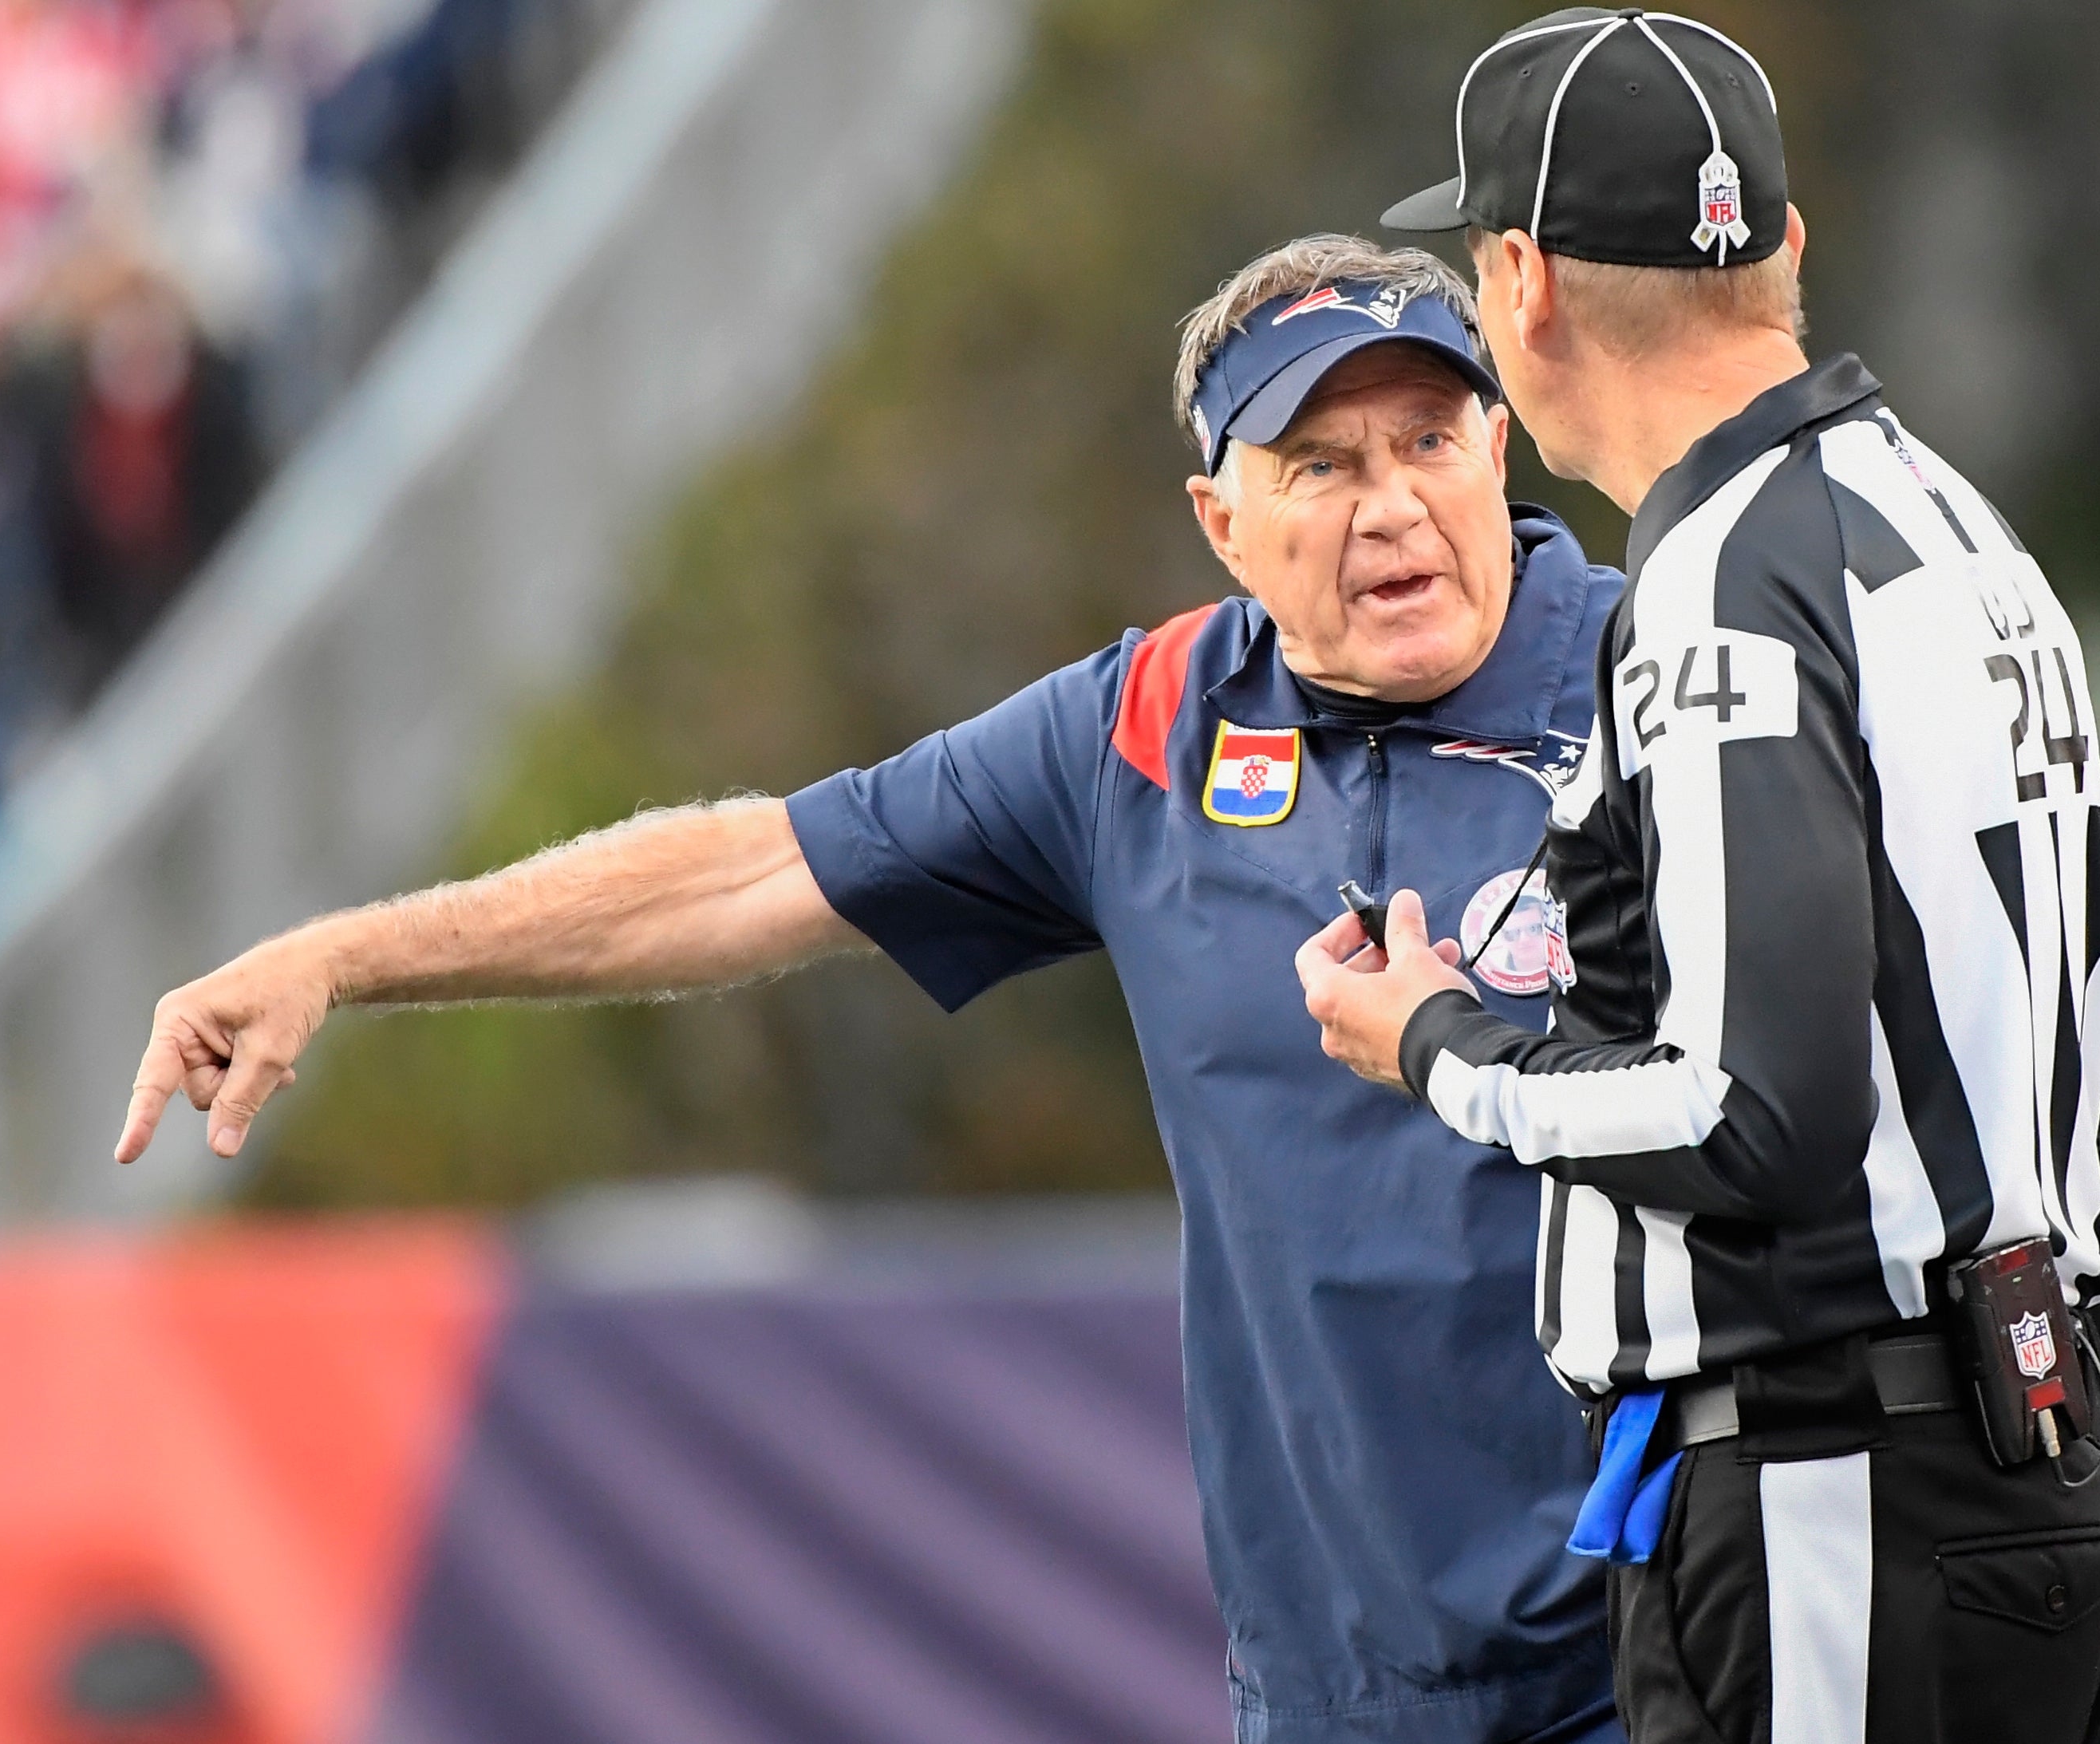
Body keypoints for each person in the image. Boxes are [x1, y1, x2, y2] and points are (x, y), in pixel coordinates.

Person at [117, 235, 1634, 1744]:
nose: (1393, 505)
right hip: (1329, 1687)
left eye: (1428, 439)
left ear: (1498, 443)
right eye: (1318, 463)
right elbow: (749, 869)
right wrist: (345, 957)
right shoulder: (1152, 725)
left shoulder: (1659, 677)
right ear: (1220, 518)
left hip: (1658, 1651)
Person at [1299, 14, 2100, 1743]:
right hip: (2026, 1463)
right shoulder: (1960, 531)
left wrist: (1440, 1046)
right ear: (1785, 248)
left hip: (1838, 1490)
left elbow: (1754, 1117)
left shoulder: (1715, 583)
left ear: (1521, 279)